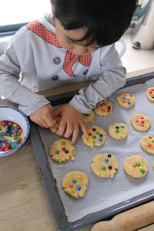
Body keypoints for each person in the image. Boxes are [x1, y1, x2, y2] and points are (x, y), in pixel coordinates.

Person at [0, 0, 137, 143]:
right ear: (53, 8)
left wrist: (81, 104)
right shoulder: (27, 39)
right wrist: (31, 102)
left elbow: (116, 74)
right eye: (71, 41)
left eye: (93, 47)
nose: (79, 52)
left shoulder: (102, 33)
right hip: (38, 106)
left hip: (84, 102)